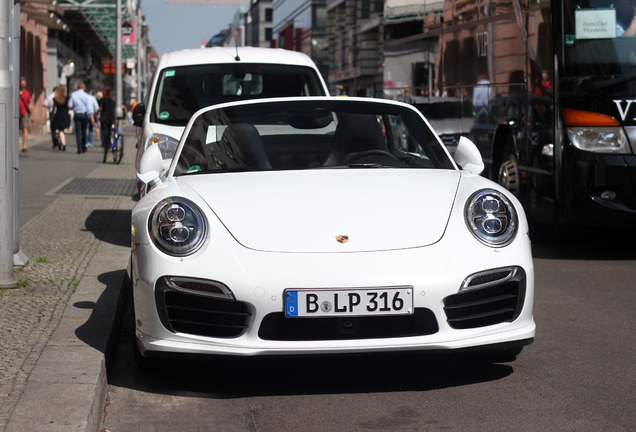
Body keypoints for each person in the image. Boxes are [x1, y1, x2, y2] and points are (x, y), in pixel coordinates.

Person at [68, 81, 94, 153]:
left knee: (78, 132)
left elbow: (70, 105)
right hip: (84, 114)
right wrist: (91, 117)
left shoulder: (73, 95)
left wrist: (75, 107)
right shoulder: (86, 95)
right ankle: (83, 147)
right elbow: (89, 107)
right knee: (84, 131)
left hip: (77, 114)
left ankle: (79, 148)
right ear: (84, 87)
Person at [51, 85, 71, 151]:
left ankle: (63, 144)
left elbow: (54, 109)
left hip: (58, 115)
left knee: (60, 131)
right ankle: (61, 143)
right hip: (65, 115)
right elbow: (68, 107)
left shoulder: (55, 99)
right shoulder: (66, 98)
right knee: (61, 130)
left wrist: (52, 115)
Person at [99, 86, 116, 154]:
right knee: (109, 132)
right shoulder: (112, 100)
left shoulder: (103, 100)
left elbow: (100, 108)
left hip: (104, 118)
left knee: (104, 132)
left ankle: (105, 146)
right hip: (110, 118)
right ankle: (109, 145)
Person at [18, 77, 32, 153]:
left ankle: (24, 146)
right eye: (22, 83)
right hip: (16, 113)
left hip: (24, 113)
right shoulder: (15, 91)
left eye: (24, 83)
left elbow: (29, 104)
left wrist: (31, 116)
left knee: (24, 129)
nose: (23, 84)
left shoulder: (27, 93)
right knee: (16, 130)